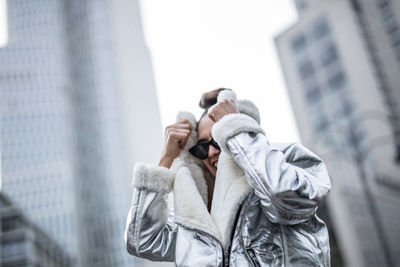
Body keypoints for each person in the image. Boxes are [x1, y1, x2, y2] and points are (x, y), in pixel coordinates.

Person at [124, 88, 331, 266]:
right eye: (203, 146)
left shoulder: (287, 159)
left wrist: (235, 129)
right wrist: (167, 158)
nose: (212, 152)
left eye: (219, 139)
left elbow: (284, 196)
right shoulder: (195, 212)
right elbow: (141, 241)